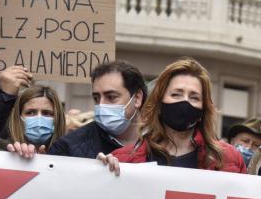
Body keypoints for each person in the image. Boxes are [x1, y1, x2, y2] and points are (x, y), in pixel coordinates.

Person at [98, 58, 245, 174]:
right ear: (160, 103)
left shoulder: (229, 159)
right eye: (176, 94)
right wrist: (103, 172)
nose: (184, 102)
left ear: (203, 109)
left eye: (194, 97)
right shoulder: (124, 159)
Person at [49, 61, 147, 159]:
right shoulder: (67, 147)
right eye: (96, 98)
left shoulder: (160, 143)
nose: (101, 105)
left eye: (111, 97)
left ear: (137, 98)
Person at [0, 85, 66, 158]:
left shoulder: (70, 153)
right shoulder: (0, 150)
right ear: (19, 117)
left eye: (46, 113)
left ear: (57, 118)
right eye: (30, 113)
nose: (39, 119)